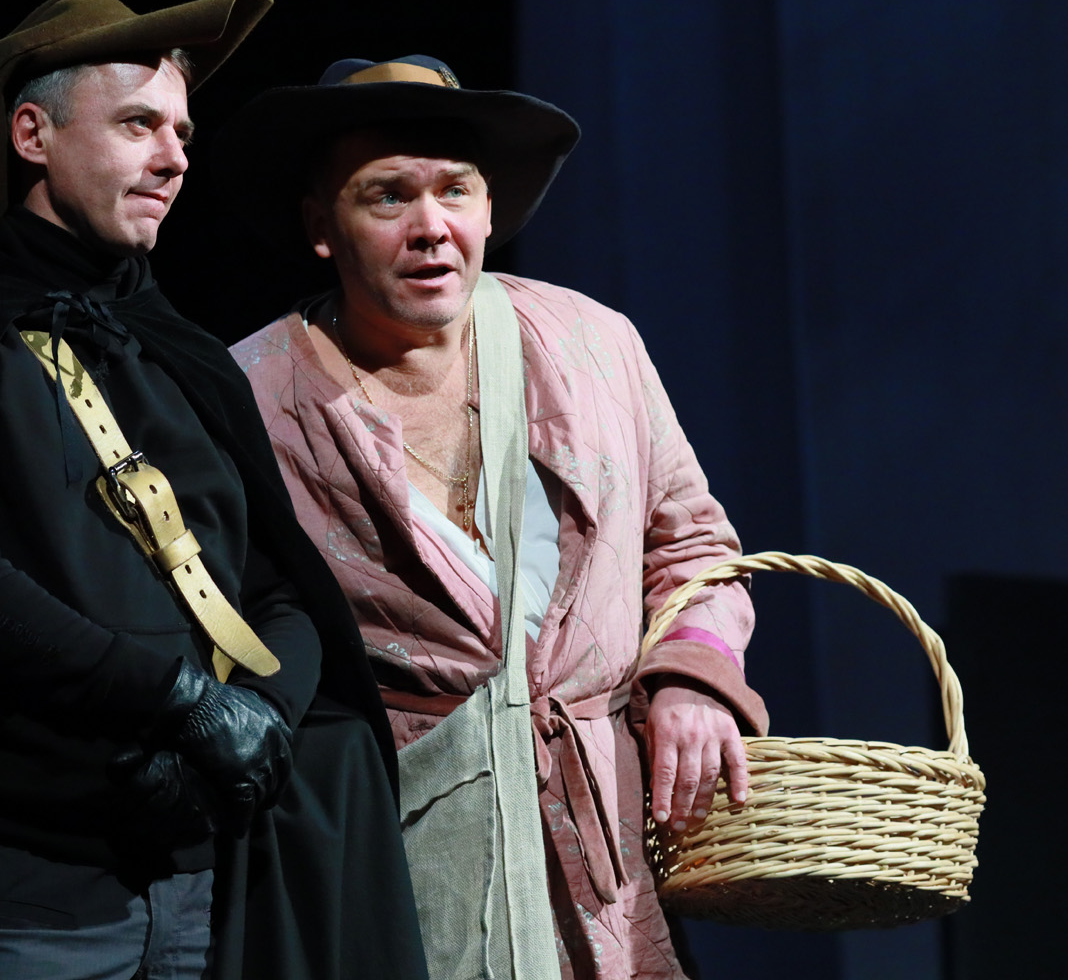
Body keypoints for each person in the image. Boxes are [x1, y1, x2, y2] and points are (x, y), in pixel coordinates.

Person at [0, 0, 427, 980]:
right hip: (26, 897)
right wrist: (176, 701)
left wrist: (259, 718)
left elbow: (277, 585)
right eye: (138, 125)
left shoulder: (182, 356)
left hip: (212, 888)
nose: (174, 159)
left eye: (182, 133)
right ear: (32, 134)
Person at [223, 56, 770, 980]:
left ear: (487, 209)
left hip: (608, 863)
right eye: (387, 196)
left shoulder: (591, 344)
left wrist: (695, 677)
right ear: (322, 226)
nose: (430, 226)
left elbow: (692, 544)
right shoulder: (250, 396)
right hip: (398, 854)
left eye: (455, 191)